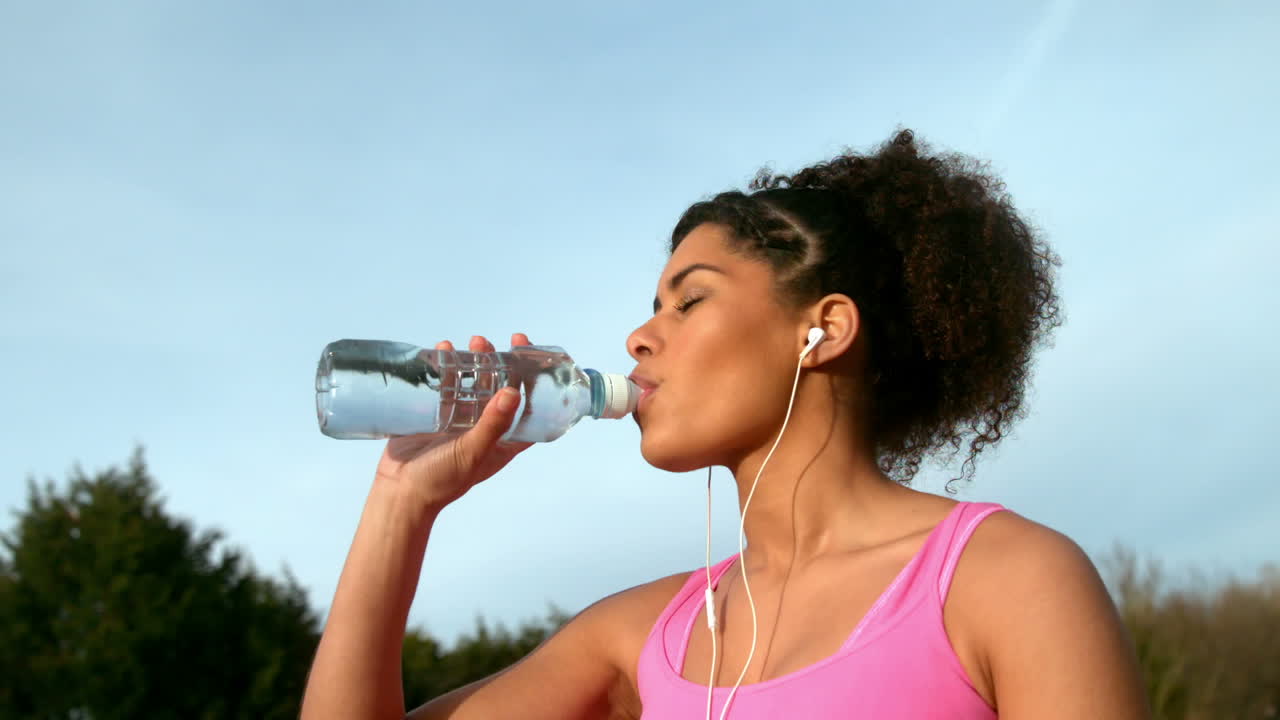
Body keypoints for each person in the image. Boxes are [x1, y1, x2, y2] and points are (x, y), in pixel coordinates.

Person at [300, 130, 1151, 719]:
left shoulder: (1007, 581)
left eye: (690, 300)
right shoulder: (644, 637)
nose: (639, 338)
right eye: (653, 306)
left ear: (823, 330)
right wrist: (401, 501)